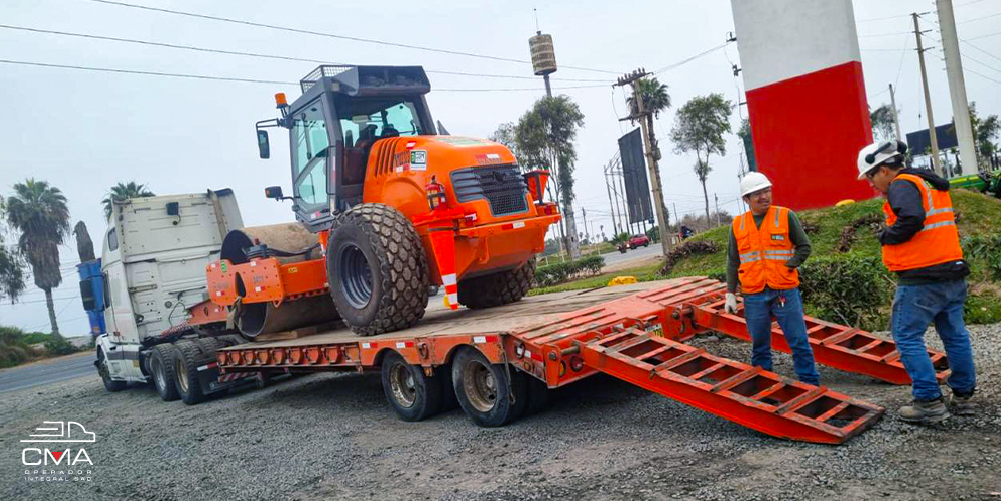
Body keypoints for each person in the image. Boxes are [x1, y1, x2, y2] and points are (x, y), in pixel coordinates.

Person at [857, 140, 976, 424]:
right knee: (955, 334)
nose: (872, 184)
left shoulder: (901, 184)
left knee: (907, 336)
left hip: (922, 277)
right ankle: (963, 395)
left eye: (871, 177)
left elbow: (912, 218)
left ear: (883, 169)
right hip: (951, 271)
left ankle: (928, 402)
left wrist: (886, 235)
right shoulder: (930, 183)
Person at [724, 172, 820, 386]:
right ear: (746, 199)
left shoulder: (785, 216)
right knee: (759, 346)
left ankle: (810, 385)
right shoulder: (738, 224)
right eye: (757, 194)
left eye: (766, 191)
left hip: (784, 290)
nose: (764, 196)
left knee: (798, 340)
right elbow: (732, 261)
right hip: (753, 294)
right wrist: (730, 293)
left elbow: (804, 247)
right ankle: (764, 388)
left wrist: (788, 265)